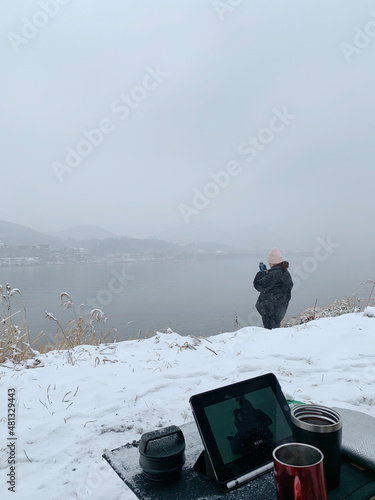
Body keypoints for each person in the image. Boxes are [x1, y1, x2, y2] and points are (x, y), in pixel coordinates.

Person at [253, 247, 293, 329]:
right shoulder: (285, 272)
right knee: (275, 328)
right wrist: (268, 274)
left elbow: (258, 285)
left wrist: (260, 274)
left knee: (269, 329)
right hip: (281, 307)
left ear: (272, 262)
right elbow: (280, 285)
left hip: (270, 308)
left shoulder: (273, 274)